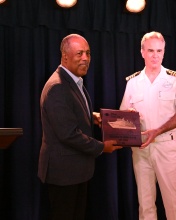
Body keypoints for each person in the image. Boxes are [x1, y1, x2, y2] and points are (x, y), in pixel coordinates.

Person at [38, 33, 122, 220]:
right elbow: (68, 134)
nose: (85, 58)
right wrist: (102, 147)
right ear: (65, 56)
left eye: (88, 53)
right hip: (64, 173)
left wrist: (91, 117)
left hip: (75, 171)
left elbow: (67, 114)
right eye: (79, 54)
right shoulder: (57, 86)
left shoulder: (73, 80)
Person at [120, 31, 176, 220]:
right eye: (151, 50)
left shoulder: (175, 79)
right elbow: (123, 116)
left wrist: (158, 131)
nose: (155, 55)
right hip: (141, 147)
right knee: (145, 202)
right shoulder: (133, 82)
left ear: (164, 52)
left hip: (165, 146)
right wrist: (129, 118)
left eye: (159, 51)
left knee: (172, 200)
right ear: (142, 52)